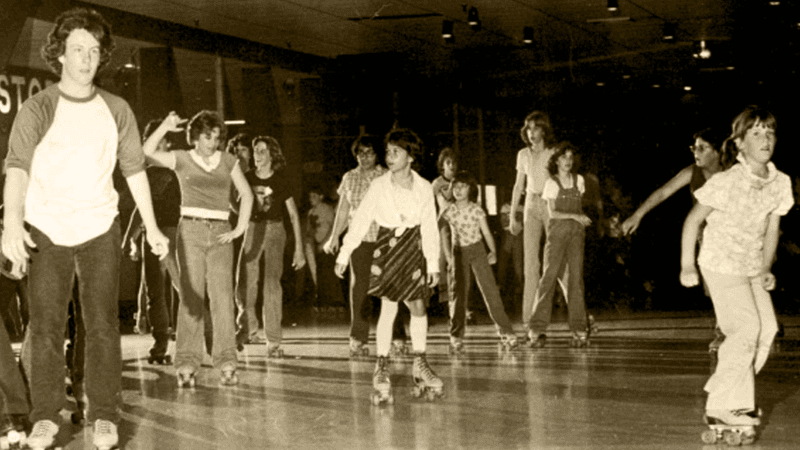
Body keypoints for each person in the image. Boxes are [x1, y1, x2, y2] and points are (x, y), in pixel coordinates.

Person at [1, 7, 170, 449]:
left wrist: (152, 227)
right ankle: (45, 416)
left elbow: (134, 171)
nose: (86, 58)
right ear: (59, 54)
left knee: (101, 328)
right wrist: (12, 224)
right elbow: (16, 168)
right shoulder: (38, 108)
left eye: (94, 51)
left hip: (99, 227)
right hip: (48, 229)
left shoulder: (117, 109)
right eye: (77, 49)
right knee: (46, 327)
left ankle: (104, 415)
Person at [679, 106, 792, 429]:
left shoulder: (779, 182)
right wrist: (687, 265)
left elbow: (772, 229)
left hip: (752, 265)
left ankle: (726, 388)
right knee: (744, 329)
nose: (765, 138)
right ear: (740, 143)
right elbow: (693, 221)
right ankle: (724, 404)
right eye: (755, 132)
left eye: (769, 131)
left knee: (766, 330)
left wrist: (767, 267)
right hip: (720, 262)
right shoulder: (728, 181)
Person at [143, 110, 253, 387]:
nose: (212, 142)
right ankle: (187, 362)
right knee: (191, 299)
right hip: (189, 231)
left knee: (221, 298)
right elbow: (145, 153)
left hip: (220, 233)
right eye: (207, 136)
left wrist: (239, 228)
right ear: (195, 136)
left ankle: (226, 359)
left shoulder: (228, 160)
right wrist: (165, 128)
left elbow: (248, 194)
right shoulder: (181, 158)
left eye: (217, 137)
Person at [334, 128, 443, 403]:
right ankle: (381, 366)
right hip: (387, 246)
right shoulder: (379, 185)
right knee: (389, 306)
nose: (390, 156)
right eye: (389, 152)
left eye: (396, 152)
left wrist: (432, 263)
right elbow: (360, 220)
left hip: (412, 247)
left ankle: (420, 363)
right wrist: (344, 253)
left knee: (417, 306)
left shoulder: (423, 187)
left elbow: (430, 226)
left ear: (410, 157)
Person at [622, 126, 728, 352]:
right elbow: (663, 192)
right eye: (694, 147)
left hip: (732, 236)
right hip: (705, 237)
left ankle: (739, 326)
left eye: (702, 147)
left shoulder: (731, 174)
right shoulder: (692, 172)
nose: (696, 152)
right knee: (713, 288)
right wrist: (637, 214)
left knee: (739, 283)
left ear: (718, 151)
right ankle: (725, 328)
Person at [324, 135, 408, 357]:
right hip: (359, 241)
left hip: (384, 239)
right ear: (356, 155)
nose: (365, 157)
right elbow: (342, 211)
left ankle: (397, 336)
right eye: (360, 153)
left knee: (390, 287)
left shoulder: (386, 176)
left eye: (369, 152)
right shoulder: (349, 178)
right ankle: (358, 337)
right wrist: (334, 238)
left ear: (376, 155)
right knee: (359, 289)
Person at [235, 136, 305, 357]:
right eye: (256, 151)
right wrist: (242, 222)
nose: (258, 155)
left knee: (271, 283)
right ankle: (247, 328)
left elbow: (293, 215)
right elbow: (234, 201)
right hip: (253, 228)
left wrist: (299, 249)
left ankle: (273, 341)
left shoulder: (281, 180)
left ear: (272, 155)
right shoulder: (246, 177)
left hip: (275, 230)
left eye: (263, 151)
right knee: (245, 280)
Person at [441, 171, 519, 352]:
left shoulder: (476, 209)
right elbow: (443, 233)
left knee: (490, 291)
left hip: (477, 250)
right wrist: (449, 256)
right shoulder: (449, 211)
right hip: (459, 252)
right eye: (456, 187)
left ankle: (506, 331)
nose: (459, 190)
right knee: (459, 294)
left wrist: (493, 251)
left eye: (463, 187)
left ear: (471, 189)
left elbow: (486, 233)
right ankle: (456, 335)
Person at [128, 118, 183, 364]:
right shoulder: (146, 173)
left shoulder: (178, 168)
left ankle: (197, 337)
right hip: (153, 234)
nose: (156, 145)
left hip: (176, 232)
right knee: (156, 291)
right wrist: (131, 237)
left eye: (161, 140)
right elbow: (138, 208)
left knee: (182, 288)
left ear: (169, 142)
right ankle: (161, 342)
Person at [527, 143, 592, 348]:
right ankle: (536, 329)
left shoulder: (579, 180)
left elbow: (578, 206)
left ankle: (579, 329)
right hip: (557, 234)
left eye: (571, 157)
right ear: (556, 161)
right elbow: (553, 213)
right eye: (564, 157)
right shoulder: (551, 184)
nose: (568, 161)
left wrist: (577, 219)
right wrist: (575, 215)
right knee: (548, 277)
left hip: (575, 234)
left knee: (575, 279)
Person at [509, 111, 564, 326]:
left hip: (550, 204)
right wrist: (514, 216)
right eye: (528, 129)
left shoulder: (553, 152)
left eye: (535, 128)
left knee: (557, 261)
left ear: (544, 129)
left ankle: (579, 314)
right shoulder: (523, 154)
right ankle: (528, 319)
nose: (531, 133)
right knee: (530, 265)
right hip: (531, 205)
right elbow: (517, 186)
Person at [307, 185, 345, 313]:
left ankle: (337, 301)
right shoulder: (311, 212)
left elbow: (332, 227)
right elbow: (310, 230)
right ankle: (323, 301)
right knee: (321, 274)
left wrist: (324, 243)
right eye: (309, 196)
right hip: (316, 246)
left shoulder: (326, 209)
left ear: (321, 197)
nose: (311, 199)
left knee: (330, 273)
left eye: (314, 196)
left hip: (327, 246)